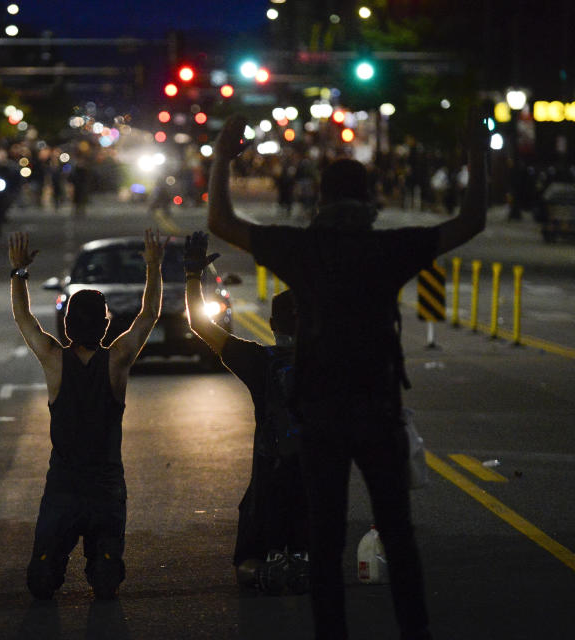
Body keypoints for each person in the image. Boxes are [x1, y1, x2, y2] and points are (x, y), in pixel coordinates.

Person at [207, 109, 487, 640]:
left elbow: (222, 223)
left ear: (320, 201)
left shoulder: (304, 250)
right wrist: (476, 155)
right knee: (398, 535)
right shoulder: (388, 248)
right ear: (369, 200)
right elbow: (470, 222)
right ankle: (415, 630)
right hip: (377, 408)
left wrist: (222, 157)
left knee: (327, 537)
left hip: (320, 414)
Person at [8, 229, 165, 600]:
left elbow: (23, 318)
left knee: (42, 581)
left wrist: (18, 272)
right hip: (106, 485)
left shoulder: (53, 359)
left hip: (63, 484)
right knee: (107, 579)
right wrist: (153, 265)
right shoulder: (117, 361)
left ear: (67, 326)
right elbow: (149, 315)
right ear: (106, 325)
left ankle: (54, 564)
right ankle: (103, 563)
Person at [182, 232, 309, 595]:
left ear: (272, 326)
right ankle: (303, 564)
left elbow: (199, 324)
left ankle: (267, 575)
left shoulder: (259, 361)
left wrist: (193, 276)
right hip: (315, 481)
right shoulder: (328, 364)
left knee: (247, 564)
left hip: (269, 481)